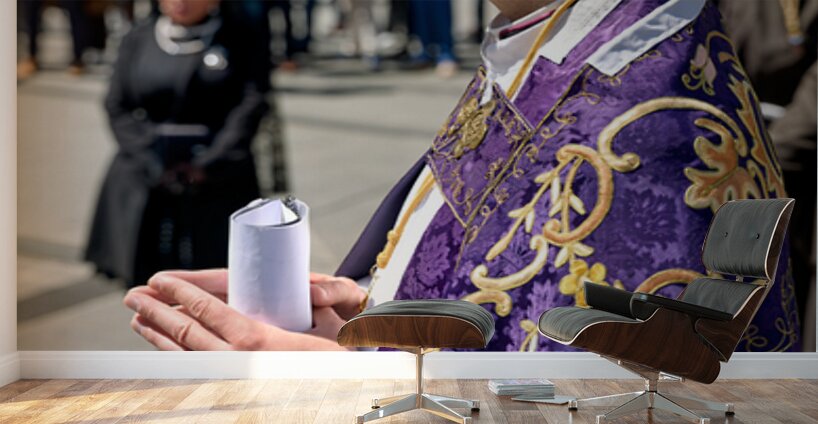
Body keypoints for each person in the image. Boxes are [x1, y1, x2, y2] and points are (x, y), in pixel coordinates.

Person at [125, 0, 802, 352]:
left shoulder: (651, 120)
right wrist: (380, 310)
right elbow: (489, 271)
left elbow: (606, 396)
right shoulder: (554, 39)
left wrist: (338, 378)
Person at [87, 0, 270, 288]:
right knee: (146, 278)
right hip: (145, 168)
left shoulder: (241, 38)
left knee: (217, 277)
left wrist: (209, 162)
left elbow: (251, 103)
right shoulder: (137, 37)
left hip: (218, 174)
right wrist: (150, 157)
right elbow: (117, 104)